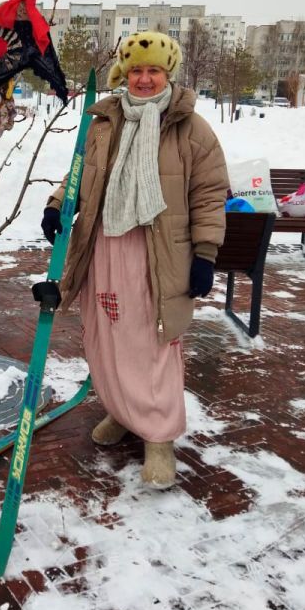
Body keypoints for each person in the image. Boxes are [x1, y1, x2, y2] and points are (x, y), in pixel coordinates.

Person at [41, 32, 228, 489]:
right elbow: (82, 170)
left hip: (158, 251)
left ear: (168, 74)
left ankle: (159, 438)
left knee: (153, 340)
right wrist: (57, 201)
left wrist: (204, 254)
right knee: (107, 331)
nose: (144, 79)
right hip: (105, 245)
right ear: (125, 73)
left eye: (154, 70)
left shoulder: (191, 128)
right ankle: (123, 410)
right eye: (136, 70)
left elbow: (208, 195)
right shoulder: (104, 120)